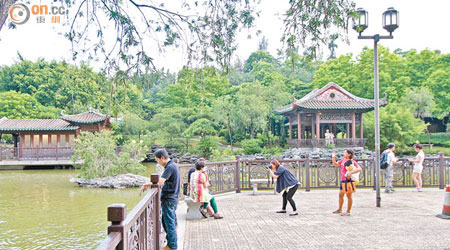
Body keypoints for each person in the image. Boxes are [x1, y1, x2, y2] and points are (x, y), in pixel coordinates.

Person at [141, 149, 180, 250]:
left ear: (162, 158)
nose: (158, 162)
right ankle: (171, 243)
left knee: (169, 223)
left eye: (157, 160)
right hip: (172, 198)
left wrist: (147, 183)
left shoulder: (170, 167)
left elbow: (160, 182)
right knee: (168, 221)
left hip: (169, 199)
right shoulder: (173, 165)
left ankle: (172, 246)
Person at [331, 149, 362, 216]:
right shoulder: (343, 160)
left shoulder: (351, 161)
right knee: (341, 194)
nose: (344, 153)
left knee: (349, 195)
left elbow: (359, 168)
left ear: (349, 154)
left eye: (345, 152)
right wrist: (333, 157)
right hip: (343, 180)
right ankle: (340, 209)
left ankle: (348, 211)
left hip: (348, 180)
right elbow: (335, 164)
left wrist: (351, 172)